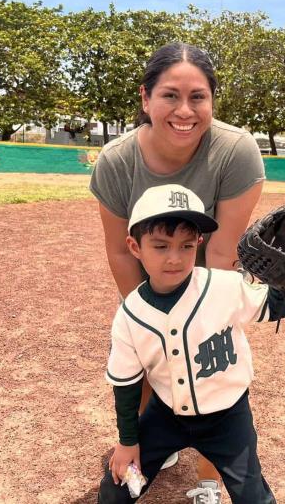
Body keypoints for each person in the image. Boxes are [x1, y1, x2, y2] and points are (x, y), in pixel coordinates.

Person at [90, 42, 265, 495]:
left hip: (208, 278)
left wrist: (201, 318)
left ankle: (208, 478)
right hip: (150, 278)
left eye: (198, 97)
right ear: (146, 98)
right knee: (150, 365)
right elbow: (119, 252)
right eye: (170, 95)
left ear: (211, 101)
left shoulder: (235, 151)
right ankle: (156, 439)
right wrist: (144, 317)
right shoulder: (116, 160)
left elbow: (222, 253)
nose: (184, 110)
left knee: (210, 374)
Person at [98, 184, 285, 504]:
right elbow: (127, 386)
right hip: (165, 418)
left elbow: (274, 308)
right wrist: (128, 442)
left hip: (229, 419)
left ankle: (213, 485)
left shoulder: (223, 286)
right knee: (120, 487)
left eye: (186, 246)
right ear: (135, 246)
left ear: (199, 243)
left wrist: (284, 283)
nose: (175, 258)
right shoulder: (130, 315)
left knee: (253, 495)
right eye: (160, 246)